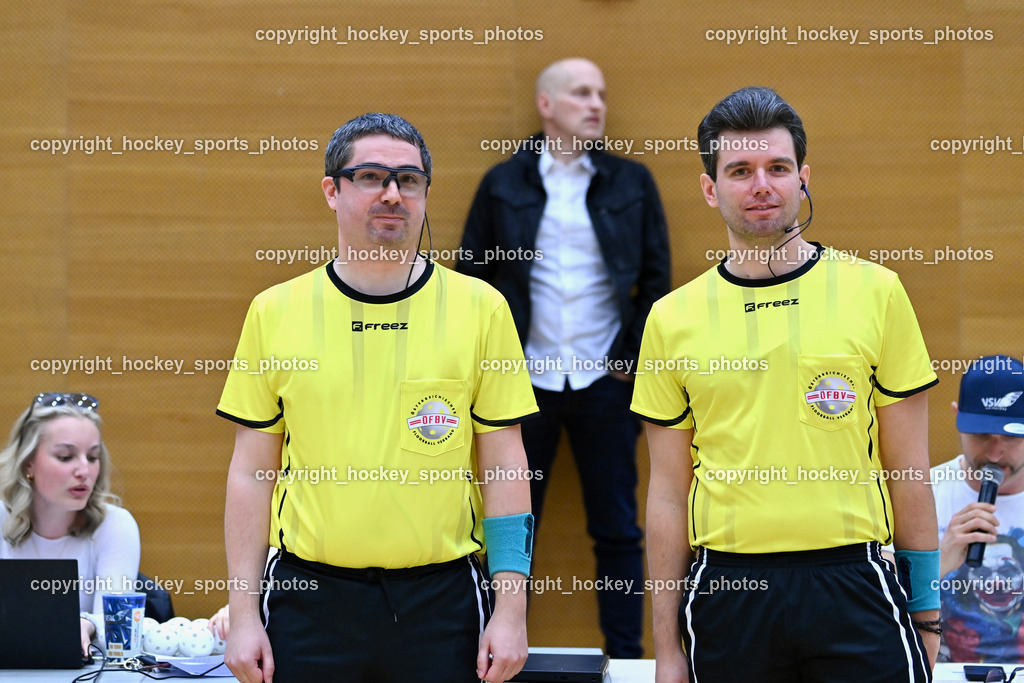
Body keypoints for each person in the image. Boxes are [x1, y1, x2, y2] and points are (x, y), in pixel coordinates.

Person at [632, 86, 941, 682]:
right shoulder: (671, 319)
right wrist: (667, 649)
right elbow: (668, 494)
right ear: (709, 188)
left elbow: (910, 471)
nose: (761, 185)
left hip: (857, 585)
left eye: (777, 168)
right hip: (728, 592)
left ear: (803, 178)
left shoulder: (876, 292)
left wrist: (927, 616)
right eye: (740, 171)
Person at [219, 113, 538, 683]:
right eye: (370, 176)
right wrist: (243, 613)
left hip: (443, 603)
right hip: (307, 600)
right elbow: (250, 472)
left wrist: (511, 609)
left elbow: (506, 465)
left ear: (424, 194)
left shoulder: (481, 309)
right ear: (331, 190)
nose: (392, 193)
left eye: (408, 180)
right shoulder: (274, 312)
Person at [457, 57, 671, 658]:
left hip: (608, 379)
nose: (597, 103)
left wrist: (629, 363)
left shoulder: (633, 183)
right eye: (581, 93)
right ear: (546, 105)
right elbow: (470, 281)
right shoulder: (504, 184)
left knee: (618, 528)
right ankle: (487, 648)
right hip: (523, 381)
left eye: (601, 93)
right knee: (509, 525)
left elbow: (656, 284)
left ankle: (628, 659)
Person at [0, 392, 141, 658]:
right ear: (28, 462)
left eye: (92, 457)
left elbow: (116, 624)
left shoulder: (115, 525)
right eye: (66, 457)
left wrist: (86, 625)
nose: (84, 471)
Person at [933, 354, 1024, 662]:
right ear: (957, 418)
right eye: (982, 435)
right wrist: (939, 562)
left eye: (1012, 436)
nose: (996, 454)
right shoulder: (921, 494)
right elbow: (876, 605)